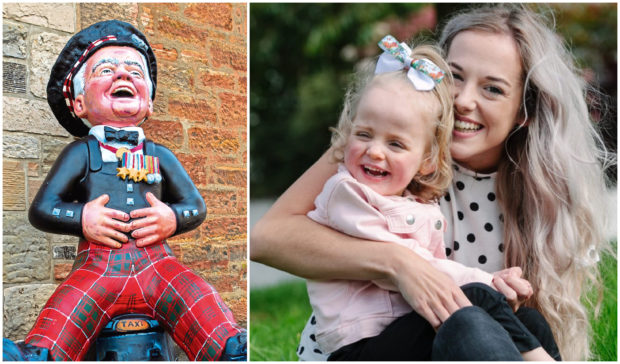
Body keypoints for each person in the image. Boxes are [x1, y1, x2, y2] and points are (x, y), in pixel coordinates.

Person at [251, 4, 611, 361]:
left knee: (514, 320)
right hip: (365, 348)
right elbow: (266, 239)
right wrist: (397, 263)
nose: (463, 100)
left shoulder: (538, 192)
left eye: (493, 89)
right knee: (469, 315)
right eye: (454, 76)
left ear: (524, 110)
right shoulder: (376, 153)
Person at [6, 20, 246, 361]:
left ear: (148, 103)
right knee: (67, 309)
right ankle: (38, 354)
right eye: (106, 69)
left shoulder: (159, 155)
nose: (123, 75)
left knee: (195, 294)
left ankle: (230, 347)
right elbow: (43, 208)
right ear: (78, 103)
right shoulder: (80, 154)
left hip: (158, 266)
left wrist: (172, 218)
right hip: (98, 269)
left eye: (135, 71)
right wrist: (82, 217)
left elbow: (195, 205)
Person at [305, 34, 554, 361]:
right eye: (364, 134)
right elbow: (417, 265)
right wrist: (489, 280)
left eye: (395, 144)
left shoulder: (412, 201)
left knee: (528, 320)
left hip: (403, 333)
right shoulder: (346, 193)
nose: (375, 151)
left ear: (426, 161)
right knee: (475, 298)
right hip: (359, 348)